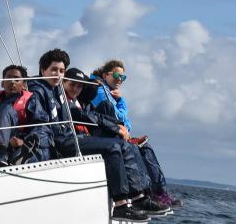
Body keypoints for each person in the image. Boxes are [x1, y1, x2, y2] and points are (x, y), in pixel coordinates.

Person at [24, 49, 164, 219]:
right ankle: (120, 205)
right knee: (113, 147)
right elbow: (41, 120)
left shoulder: (57, 91)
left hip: (70, 137)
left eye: (61, 71)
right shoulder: (38, 89)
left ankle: (138, 198)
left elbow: (83, 114)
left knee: (124, 145)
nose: (58, 74)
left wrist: (117, 126)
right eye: (54, 70)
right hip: (60, 141)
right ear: (43, 70)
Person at [63, 66, 163, 214]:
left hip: (84, 137)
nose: (76, 89)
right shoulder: (63, 100)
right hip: (70, 140)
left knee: (132, 147)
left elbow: (97, 116)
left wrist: (119, 125)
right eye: (72, 84)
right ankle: (124, 203)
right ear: (64, 82)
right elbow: (86, 116)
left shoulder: (79, 101)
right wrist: (116, 128)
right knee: (115, 147)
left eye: (79, 86)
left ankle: (144, 195)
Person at [89, 59, 182, 209]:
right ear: (106, 75)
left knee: (146, 148)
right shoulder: (100, 91)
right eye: (117, 76)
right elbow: (119, 117)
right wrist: (121, 101)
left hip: (113, 132)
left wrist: (120, 103)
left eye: (123, 77)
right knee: (138, 150)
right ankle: (147, 195)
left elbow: (125, 123)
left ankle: (160, 193)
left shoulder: (108, 92)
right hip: (106, 134)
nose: (120, 80)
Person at [0, 64, 33, 165]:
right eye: (8, 78)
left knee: (5, 109)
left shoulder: (31, 101)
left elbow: (38, 126)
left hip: (16, 141)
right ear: (2, 83)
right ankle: (0, 153)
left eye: (17, 79)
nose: (12, 82)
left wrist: (24, 141)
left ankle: (2, 155)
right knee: (4, 108)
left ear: (24, 85)